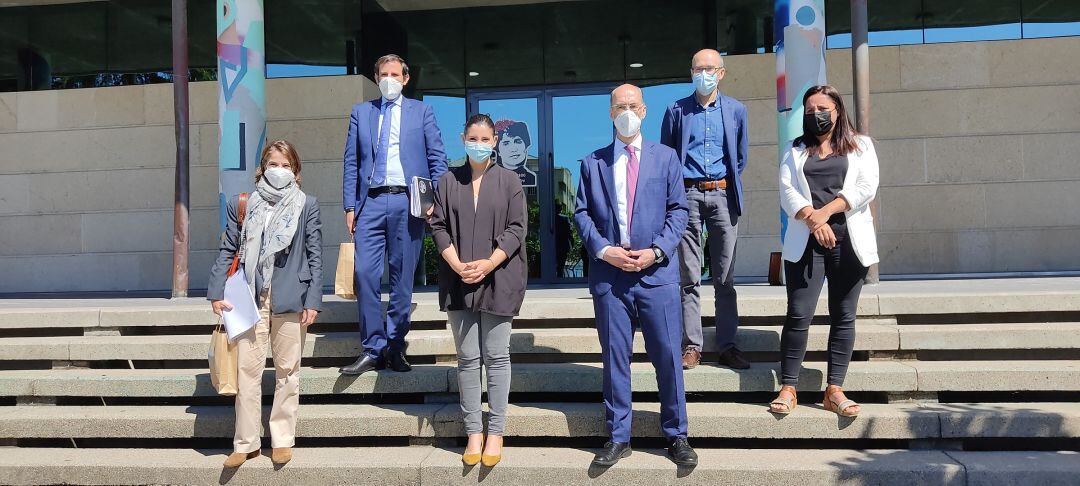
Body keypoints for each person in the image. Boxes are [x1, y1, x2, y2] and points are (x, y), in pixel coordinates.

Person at [574, 84, 696, 468]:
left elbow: (679, 211)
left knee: (668, 358)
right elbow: (581, 214)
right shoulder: (592, 162)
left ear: (644, 110)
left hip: (656, 274)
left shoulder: (667, 158)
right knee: (615, 360)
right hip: (611, 277)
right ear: (610, 113)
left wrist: (656, 250)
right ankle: (618, 436)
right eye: (619, 106)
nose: (626, 112)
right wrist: (605, 250)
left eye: (632, 105)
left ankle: (677, 435)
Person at [207, 140, 323, 467]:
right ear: (263, 167)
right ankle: (246, 443)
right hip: (249, 297)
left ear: (296, 171)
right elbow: (228, 249)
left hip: (291, 298)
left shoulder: (306, 205)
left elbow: (315, 256)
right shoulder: (242, 204)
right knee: (247, 371)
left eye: (286, 165)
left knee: (288, 370)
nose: (280, 170)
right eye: (274, 164)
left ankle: (282, 439)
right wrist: (216, 291)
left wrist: (313, 298)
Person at [769, 85, 879, 418]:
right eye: (810, 109)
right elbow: (787, 191)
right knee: (799, 313)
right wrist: (814, 221)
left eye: (822, 108)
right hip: (806, 240)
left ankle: (834, 389)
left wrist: (826, 213)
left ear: (837, 111)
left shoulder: (861, 146)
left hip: (849, 240)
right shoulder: (795, 149)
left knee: (843, 315)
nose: (815, 114)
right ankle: (789, 386)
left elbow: (866, 187)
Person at [340, 54, 448, 376]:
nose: (389, 78)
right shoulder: (361, 112)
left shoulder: (422, 111)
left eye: (394, 74)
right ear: (376, 77)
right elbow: (350, 161)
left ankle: (395, 345)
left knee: (402, 280)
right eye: (383, 74)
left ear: (405, 77)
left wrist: (433, 202)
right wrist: (349, 206)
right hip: (370, 202)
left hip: (408, 202)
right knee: (365, 276)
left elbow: (437, 159)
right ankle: (373, 348)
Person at [429, 114, 527, 468]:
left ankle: (496, 431)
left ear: (495, 142)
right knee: (468, 359)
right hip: (458, 278)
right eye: (474, 138)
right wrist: (457, 265)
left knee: (497, 357)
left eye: (486, 139)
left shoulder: (510, 180)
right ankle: (474, 430)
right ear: (463, 138)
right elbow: (438, 226)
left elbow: (517, 229)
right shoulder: (447, 181)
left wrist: (488, 263)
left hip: (499, 276)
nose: (480, 144)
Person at [660, 48, 751, 371]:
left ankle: (727, 345)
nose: (704, 74)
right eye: (699, 68)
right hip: (687, 196)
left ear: (721, 73)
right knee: (689, 276)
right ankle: (691, 346)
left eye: (710, 68)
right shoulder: (676, 111)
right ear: (691, 72)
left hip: (723, 196)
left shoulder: (737, 110)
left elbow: (739, 158)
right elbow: (668, 160)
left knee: (725, 277)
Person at [494, 119, 538, 188]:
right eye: (506, 143)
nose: (513, 149)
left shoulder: (530, 178)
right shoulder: (491, 178)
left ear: (526, 146)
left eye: (517, 141)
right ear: (498, 150)